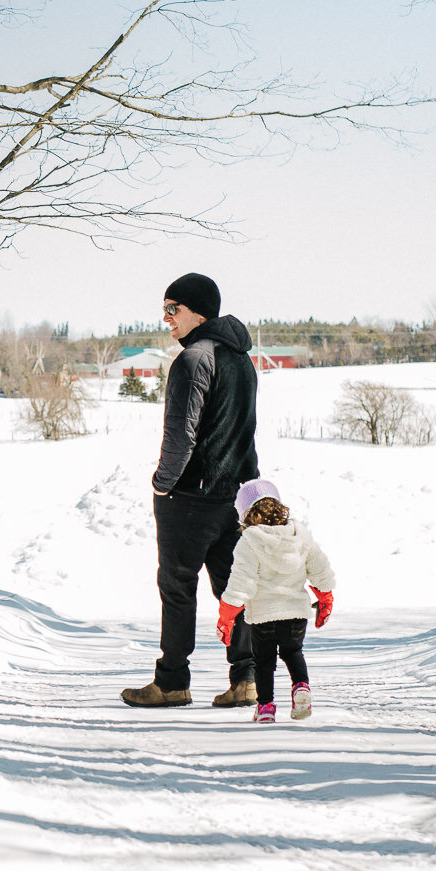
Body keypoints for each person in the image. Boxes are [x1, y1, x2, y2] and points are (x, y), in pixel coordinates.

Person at [121, 273, 262, 708]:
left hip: (191, 497)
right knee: (233, 589)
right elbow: (245, 432)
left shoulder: (192, 360)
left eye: (172, 309)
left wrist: (163, 485)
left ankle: (171, 683)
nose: (166, 319)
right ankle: (247, 679)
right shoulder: (242, 360)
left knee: (178, 587)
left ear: (198, 312)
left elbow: (180, 435)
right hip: (236, 495)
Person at [215, 478, 335, 723]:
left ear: (245, 514)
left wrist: (226, 617)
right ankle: (301, 686)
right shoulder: (300, 535)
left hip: (264, 615)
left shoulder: (249, 541)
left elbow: (241, 584)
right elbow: (319, 568)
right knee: (293, 652)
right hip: (297, 614)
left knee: (263, 662)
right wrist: (326, 598)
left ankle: (266, 707)